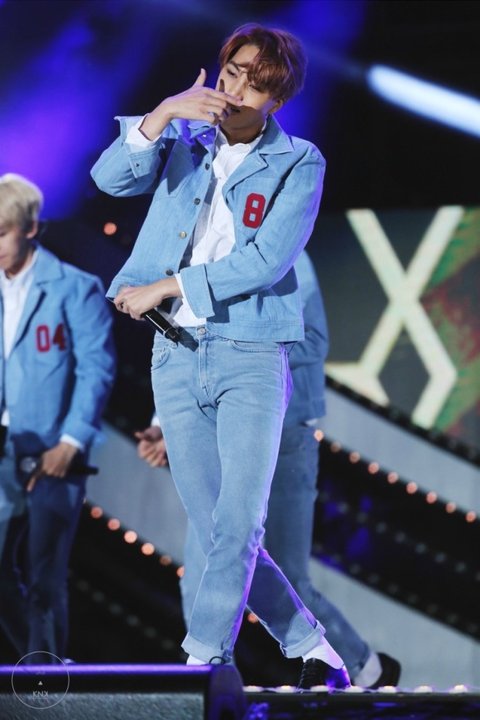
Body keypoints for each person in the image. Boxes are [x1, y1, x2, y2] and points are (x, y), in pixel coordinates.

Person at [91, 23, 350, 690]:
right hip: (175, 356)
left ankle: (201, 662)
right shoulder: (183, 139)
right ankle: (310, 646)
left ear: (277, 98)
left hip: (252, 353)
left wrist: (168, 286)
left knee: (239, 522)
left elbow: (265, 261)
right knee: (215, 531)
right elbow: (108, 179)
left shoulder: (299, 161)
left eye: (254, 83)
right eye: (232, 72)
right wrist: (163, 113)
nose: (235, 89)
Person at [137, 251, 401, 689]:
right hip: (216, 432)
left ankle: (361, 667)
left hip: (285, 431)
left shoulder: (281, 251)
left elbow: (311, 339)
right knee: (206, 569)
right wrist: (164, 423)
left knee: (284, 572)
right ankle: (216, 686)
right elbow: (191, 356)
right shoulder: (199, 254)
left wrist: (246, 359)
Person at [0, 173, 116, 663]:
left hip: (54, 451)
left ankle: (47, 683)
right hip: (5, 449)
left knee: (45, 576)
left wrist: (71, 441)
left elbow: (97, 370)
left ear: (30, 228)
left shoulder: (75, 288)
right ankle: (35, 666)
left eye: (1, 233)